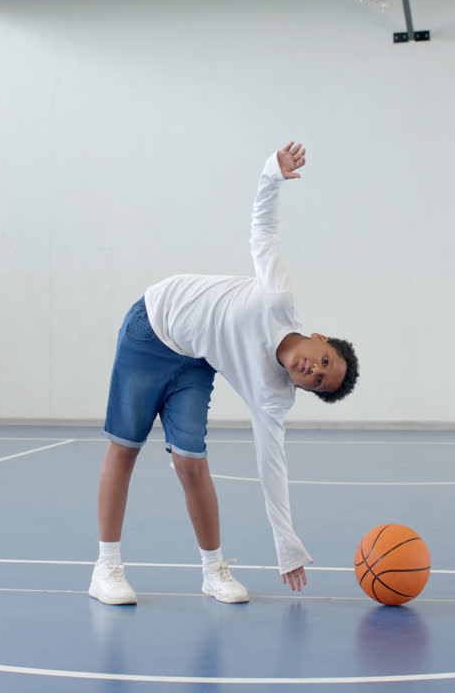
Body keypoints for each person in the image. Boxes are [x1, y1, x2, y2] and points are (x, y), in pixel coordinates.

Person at [90, 142, 360, 605]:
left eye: (317, 382)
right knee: (125, 448)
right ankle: (106, 568)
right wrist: (270, 176)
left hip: (195, 360)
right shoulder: (278, 297)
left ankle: (213, 570)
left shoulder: (273, 395)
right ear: (319, 339)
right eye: (324, 363)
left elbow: (271, 464)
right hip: (152, 326)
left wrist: (286, 541)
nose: (312, 371)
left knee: (191, 463)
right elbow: (263, 230)